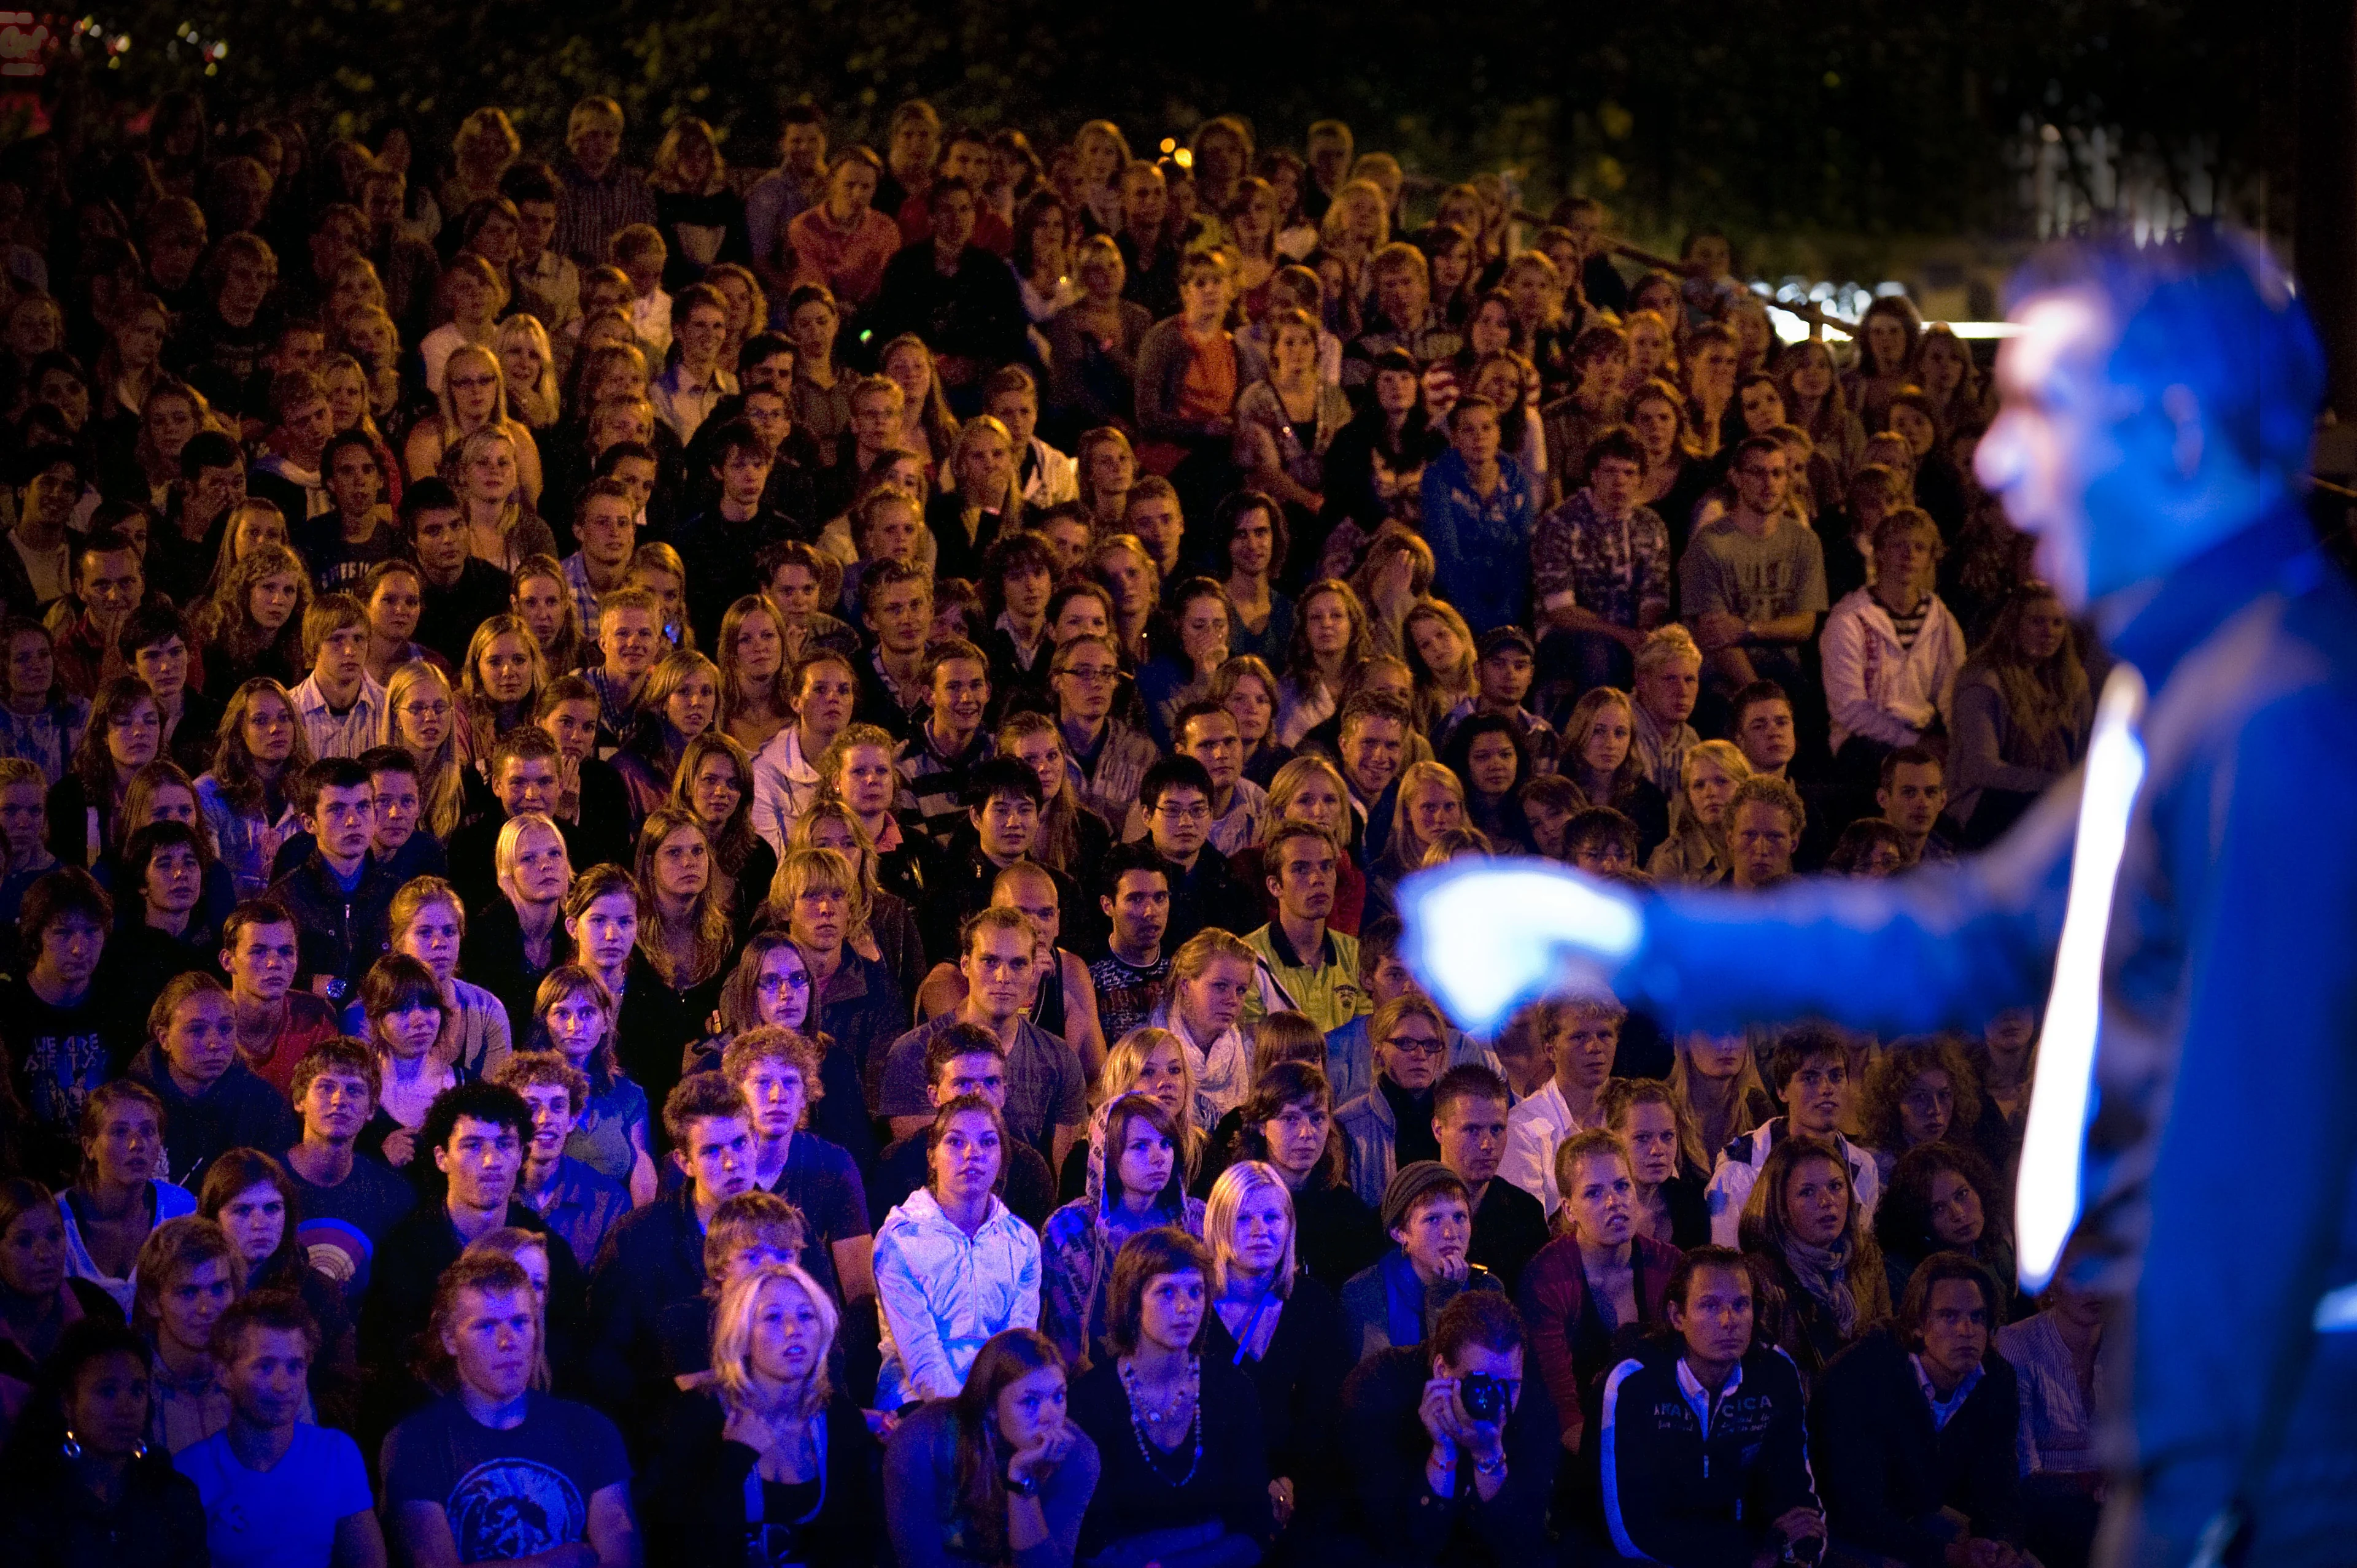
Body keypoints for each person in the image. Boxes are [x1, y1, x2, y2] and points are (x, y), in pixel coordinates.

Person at [381, 1253, 639, 1567]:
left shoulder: (590, 1428)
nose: (508, 1341)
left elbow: (621, 1556)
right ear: (450, 1339)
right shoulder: (414, 1442)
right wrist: (558, 1562)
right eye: (487, 1326)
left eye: (520, 1322)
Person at [360, 1083, 587, 1432]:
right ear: (441, 1158)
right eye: (472, 1145)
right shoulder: (405, 1251)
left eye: (505, 1145)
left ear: (522, 1154)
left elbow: (571, 1352)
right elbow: (389, 1362)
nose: (491, 1161)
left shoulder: (549, 1251)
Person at [1594, 1246, 1827, 1567]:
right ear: (1678, 1316)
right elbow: (1629, 1529)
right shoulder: (1634, 1382)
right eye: (1709, 1305)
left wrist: (1798, 1551)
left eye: (1741, 1304)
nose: (1728, 1320)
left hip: (1756, 1549)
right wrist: (1751, 1554)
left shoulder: (1776, 1372)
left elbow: (1797, 1492)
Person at [641, 1261, 881, 1568]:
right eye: (773, 1317)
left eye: (807, 1315)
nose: (795, 1330)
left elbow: (858, 1546)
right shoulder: (698, 1416)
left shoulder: (839, 1418)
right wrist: (735, 1457)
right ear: (741, 1335)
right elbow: (682, 1550)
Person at [1064, 1226, 1272, 1563]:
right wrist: (1207, 1532)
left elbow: (1254, 1530)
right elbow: (1093, 1544)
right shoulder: (1090, 1401)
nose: (1185, 1308)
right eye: (1166, 1293)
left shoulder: (1232, 1389)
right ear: (1133, 1303)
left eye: (1195, 1292)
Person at [1810, 1253, 2026, 1568]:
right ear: (1917, 1326)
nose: (1967, 1330)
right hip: (1843, 1529)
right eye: (1949, 1317)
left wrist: (2003, 1541)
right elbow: (1856, 1510)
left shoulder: (1995, 1379)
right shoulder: (1860, 1376)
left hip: (1922, 1513)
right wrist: (1949, 1555)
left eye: (1978, 1317)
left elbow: (2000, 1482)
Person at [1336, 1289, 1554, 1567]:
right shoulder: (1378, 1388)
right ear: (1442, 1370)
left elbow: (1522, 1546)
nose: (1497, 1401)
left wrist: (1488, 1455)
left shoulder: (1532, 1400)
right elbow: (1398, 1545)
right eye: (1482, 1383)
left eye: (1510, 1385)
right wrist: (1443, 1451)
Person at [171, 1288, 384, 1568]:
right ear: (224, 1373)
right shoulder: (190, 1472)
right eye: (265, 1368)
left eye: (295, 1367)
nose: (283, 1386)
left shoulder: (336, 1453)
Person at [878, 906, 1089, 1170]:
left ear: (1033, 969)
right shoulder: (913, 1052)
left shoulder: (1060, 1058)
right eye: (990, 962)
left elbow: (1062, 1177)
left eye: (1018, 964)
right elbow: (917, 1168)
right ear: (965, 964)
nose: (1003, 977)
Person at [871, 1095, 1043, 1409]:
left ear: (1002, 1157)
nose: (972, 1154)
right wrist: (967, 1418)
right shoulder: (900, 1240)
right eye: (955, 1142)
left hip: (997, 1400)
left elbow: (1016, 1345)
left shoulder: (1022, 1242)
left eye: (988, 1142)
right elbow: (921, 1355)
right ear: (932, 1157)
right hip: (916, 1399)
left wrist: (997, 1408)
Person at [881, 1327, 1101, 1568]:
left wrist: (1022, 1481)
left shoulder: (1077, 1455)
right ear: (991, 1407)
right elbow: (920, 1561)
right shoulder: (922, 1441)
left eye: (1059, 1397)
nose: (1051, 1416)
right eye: (1030, 1401)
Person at [0, 1317, 210, 1566]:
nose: (126, 1408)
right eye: (107, 1391)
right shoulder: (30, 1501)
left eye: (137, 1390)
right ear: (67, 1403)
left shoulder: (171, 1495)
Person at [1040, 1094, 1204, 1370]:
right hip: (1088, 1384)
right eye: (1140, 1146)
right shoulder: (1069, 1228)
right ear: (1107, 1153)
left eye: (1166, 1144)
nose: (1158, 1158)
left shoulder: (1195, 1220)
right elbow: (1058, 1335)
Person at [718, 1025, 877, 1307]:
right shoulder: (715, 1165)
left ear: (805, 1095)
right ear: (737, 1093)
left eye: (790, 1082)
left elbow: (860, 1292)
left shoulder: (834, 1165)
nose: (778, 1096)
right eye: (763, 1082)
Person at [1705, 1025, 1880, 1245]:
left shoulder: (1863, 1168)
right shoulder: (1740, 1170)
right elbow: (1728, 1267)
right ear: (1782, 1090)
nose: (1827, 1089)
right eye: (1810, 1078)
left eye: (1836, 1076)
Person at [872, 1023, 1059, 1230]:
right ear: (934, 1096)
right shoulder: (897, 1164)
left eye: (991, 1082)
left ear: (1005, 1092)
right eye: (963, 1084)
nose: (979, 1094)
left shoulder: (1030, 1168)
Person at [126, 973, 299, 1183]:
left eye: (226, 1028)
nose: (214, 1043)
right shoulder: (129, 1106)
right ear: (164, 1038)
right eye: (197, 1030)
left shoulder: (265, 1106)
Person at [279, 1038, 416, 1297]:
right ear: (299, 1100)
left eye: (354, 1090)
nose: (339, 1099)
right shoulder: (266, 1182)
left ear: (371, 1109)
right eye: (325, 1087)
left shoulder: (394, 1195)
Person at [1341, 1161, 1503, 1360]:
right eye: (1433, 1219)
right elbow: (1384, 1381)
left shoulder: (1486, 1288)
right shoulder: (1366, 1291)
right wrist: (1441, 1304)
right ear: (1400, 1233)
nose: (1450, 1233)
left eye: (1460, 1217)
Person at [495, 1051, 633, 1273]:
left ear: (572, 1119)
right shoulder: (489, 1192)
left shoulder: (609, 1202)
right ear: (511, 1118)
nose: (545, 1119)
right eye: (532, 1107)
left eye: (557, 1106)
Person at [1500, 995, 1621, 1218]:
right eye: (1579, 1037)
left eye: (1605, 1035)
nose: (1595, 1047)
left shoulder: (1630, 1113)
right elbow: (1530, 1228)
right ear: (1550, 1049)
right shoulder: (1523, 1128)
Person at [1434, 1064, 1548, 1292]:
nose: (1487, 1145)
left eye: (1497, 1130)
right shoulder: (1408, 1212)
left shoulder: (1526, 1214)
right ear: (1438, 1130)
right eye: (1472, 1130)